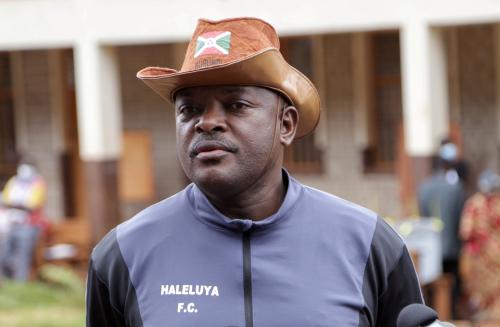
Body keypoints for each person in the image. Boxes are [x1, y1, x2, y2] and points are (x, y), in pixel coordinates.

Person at [86, 17, 423, 326]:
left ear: (286, 124)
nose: (207, 122)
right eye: (189, 109)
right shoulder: (122, 256)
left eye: (236, 105)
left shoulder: (369, 245)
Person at [417, 141, 466, 317]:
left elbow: (424, 217)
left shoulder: (424, 187)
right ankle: (451, 315)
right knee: (451, 285)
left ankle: (432, 316)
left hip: (431, 246)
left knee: (431, 284)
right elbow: (461, 218)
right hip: (452, 247)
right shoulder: (456, 188)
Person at [460, 170, 500, 321]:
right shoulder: (485, 203)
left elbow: (466, 231)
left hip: (485, 256)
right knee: (487, 292)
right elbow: (466, 232)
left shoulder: (474, 203)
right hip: (487, 256)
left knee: (485, 291)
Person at [0, 159, 49, 281]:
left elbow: (32, 204)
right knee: (5, 253)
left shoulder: (38, 183)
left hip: (29, 225)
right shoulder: (14, 182)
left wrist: (14, 204)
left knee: (22, 255)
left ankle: (20, 282)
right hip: (12, 224)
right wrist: (15, 204)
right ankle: (6, 280)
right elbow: (5, 199)